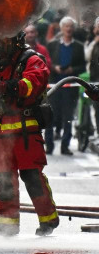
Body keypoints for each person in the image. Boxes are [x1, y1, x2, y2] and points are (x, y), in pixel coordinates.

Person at [0, 31, 59, 237]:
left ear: (17, 40)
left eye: (5, 39)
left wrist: (8, 87)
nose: (1, 44)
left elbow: (32, 84)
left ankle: (48, 219)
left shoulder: (33, 60)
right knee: (4, 178)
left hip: (26, 129)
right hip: (2, 131)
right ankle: (7, 225)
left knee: (32, 176)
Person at [45, 16, 86, 155]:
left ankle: (65, 146)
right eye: (66, 26)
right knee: (50, 117)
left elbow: (82, 67)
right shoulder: (52, 45)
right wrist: (55, 68)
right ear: (61, 28)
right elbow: (46, 63)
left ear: (73, 29)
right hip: (54, 87)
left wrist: (72, 70)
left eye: (71, 26)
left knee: (68, 118)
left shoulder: (79, 47)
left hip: (70, 88)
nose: (68, 29)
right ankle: (48, 146)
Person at [84, 17, 99, 135]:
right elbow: (87, 56)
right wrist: (95, 42)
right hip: (93, 79)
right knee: (96, 109)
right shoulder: (91, 40)